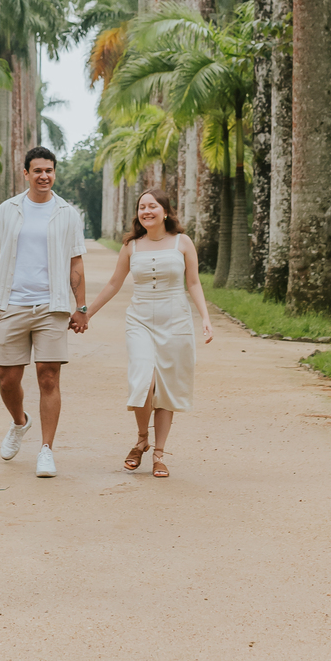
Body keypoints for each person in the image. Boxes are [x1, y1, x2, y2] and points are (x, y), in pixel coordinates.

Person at [0, 146, 87, 478]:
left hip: (52, 306)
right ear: (25, 174)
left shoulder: (67, 213)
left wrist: (80, 307)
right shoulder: (7, 210)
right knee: (8, 379)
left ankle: (46, 450)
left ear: (54, 173)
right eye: (37, 170)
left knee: (48, 376)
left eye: (49, 170)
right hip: (12, 303)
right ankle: (19, 422)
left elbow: (75, 261)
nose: (44, 176)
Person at [84, 185, 211, 478]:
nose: (146, 211)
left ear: (165, 211)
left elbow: (193, 283)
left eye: (152, 206)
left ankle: (159, 454)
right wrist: (87, 314)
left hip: (175, 321)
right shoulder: (132, 246)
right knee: (144, 380)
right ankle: (142, 437)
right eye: (142, 207)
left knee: (166, 388)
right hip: (139, 320)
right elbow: (115, 284)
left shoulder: (183, 243)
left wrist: (205, 318)